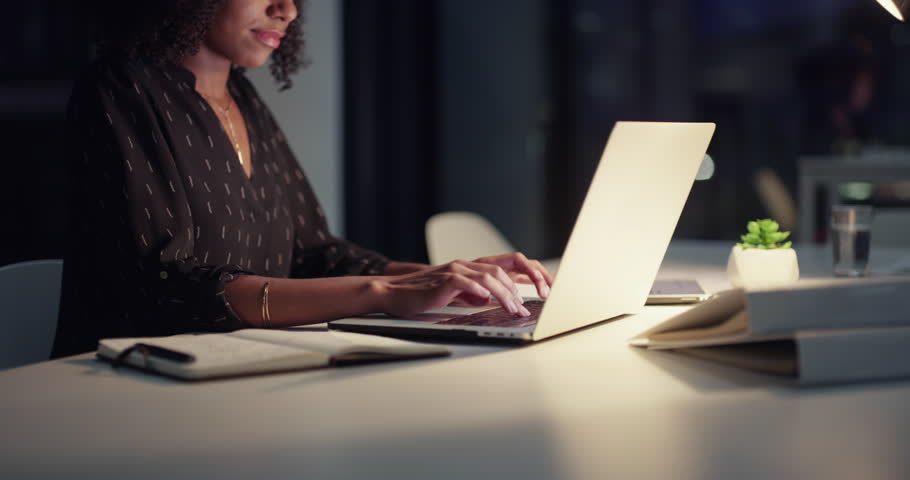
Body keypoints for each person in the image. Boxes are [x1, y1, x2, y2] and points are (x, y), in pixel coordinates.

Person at [52, 0, 553, 358]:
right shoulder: (121, 89)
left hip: (242, 375)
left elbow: (314, 254)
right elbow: (167, 287)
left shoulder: (242, 99)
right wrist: (382, 292)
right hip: (136, 393)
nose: (288, 10)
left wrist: (439, 277)